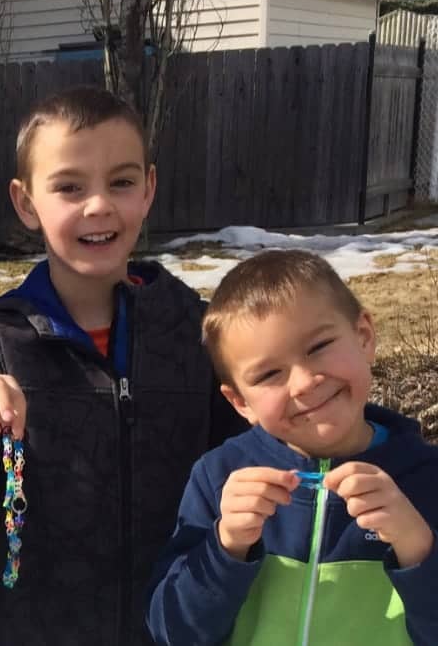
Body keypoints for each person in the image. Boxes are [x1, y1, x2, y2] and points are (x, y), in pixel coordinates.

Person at [0, 85, 248, 645]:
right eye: (69, 187)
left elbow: (255, 457)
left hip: (182, 623)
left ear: (149, 189)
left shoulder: (193, 333)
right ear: (26, 202)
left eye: (122, 182)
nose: (99, 205)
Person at [146, 249, 438, 645]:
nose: (303, 383)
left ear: (364, 337)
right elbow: (173, 631)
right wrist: (226, 547)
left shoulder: (425, 477)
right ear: (240, 403)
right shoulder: (219, 477)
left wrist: (419, 551)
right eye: (269, 373)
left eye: (318, 347)